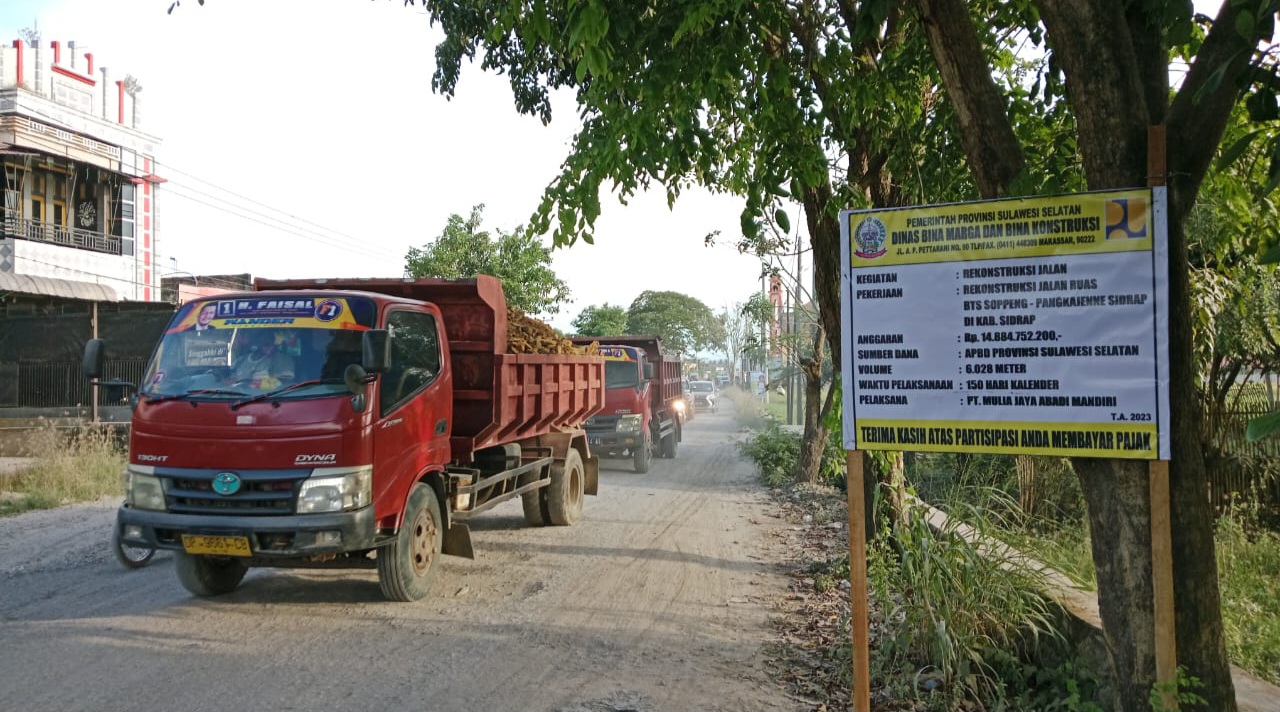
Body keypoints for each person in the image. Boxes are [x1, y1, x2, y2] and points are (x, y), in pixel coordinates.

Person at [232, 329, 296, 388]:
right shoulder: (241, 360)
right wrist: (230, 381)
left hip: (272, 395)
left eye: (273, 344)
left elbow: (286, 382)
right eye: (266, 344)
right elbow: (231, 378)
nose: (271, 347)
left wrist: (262, 384)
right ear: (257, 343)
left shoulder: (282, 359)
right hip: (239, 395)